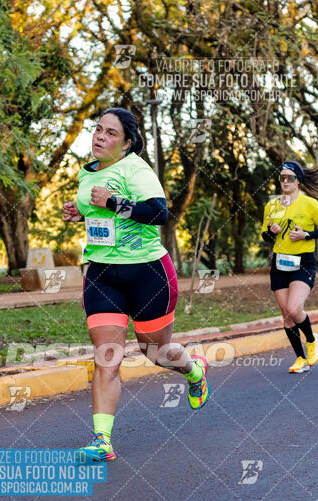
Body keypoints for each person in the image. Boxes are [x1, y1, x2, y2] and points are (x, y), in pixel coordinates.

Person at [63, 107, 210, 461]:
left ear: (127, 143)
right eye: (98, 129)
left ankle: (194, 370)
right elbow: (96, 209)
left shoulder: (135, 169)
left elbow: (158, 212)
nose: (99, 136)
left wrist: (114, 203)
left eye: (110, 133)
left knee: (156, 352)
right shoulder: (89, 173)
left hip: (147, 274)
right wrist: (81, 211)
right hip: (101, 274)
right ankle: (102, 440)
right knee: (106, 357)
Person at [261, 160, 318, 373]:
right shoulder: (272, 205)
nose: (285, 181)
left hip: (303, 262)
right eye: (282, 177)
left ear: (298, 180)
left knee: (295, 309)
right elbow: (265, 235)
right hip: (279, 263)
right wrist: (272, 232)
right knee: (286, 314)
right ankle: (300, 359)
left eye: (290, 177)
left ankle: (312, 339)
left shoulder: (310, 204)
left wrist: (306, 235)